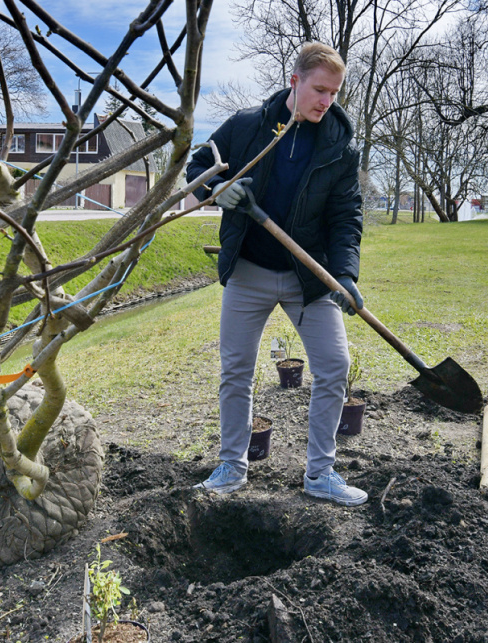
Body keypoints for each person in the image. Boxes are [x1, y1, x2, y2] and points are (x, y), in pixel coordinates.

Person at [186, 42, 367, 506]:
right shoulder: (248, 125)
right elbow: (199, 166)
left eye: (334, 93)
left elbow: (346, 216)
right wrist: (218, 189)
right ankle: (232, 466)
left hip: (309, 278)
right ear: (295, 81)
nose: (326, 101)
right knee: (236, 370)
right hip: (249, 269)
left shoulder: (340, 148)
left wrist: (345, 274)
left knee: (334, 366)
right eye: (319, 89)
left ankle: (320, 473)